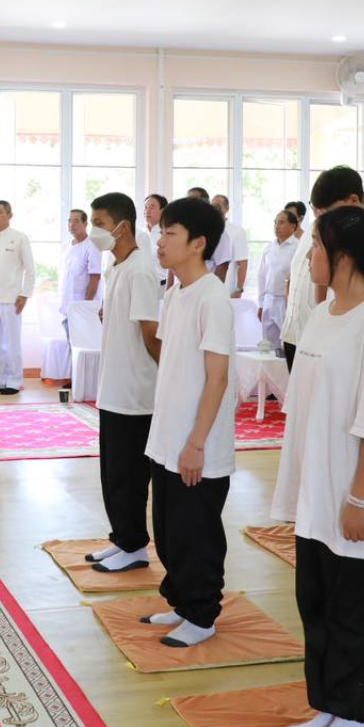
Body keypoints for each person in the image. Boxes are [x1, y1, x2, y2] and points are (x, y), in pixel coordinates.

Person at [272, 206, 364, 727]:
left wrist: (359, 498)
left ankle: (352, 718)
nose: (309, 255)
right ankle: (328, 705)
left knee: (352, 611)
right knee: (316, 603)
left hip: (355, 497)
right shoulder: (323, 314)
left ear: (345, 256)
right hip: (317, 491)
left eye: (317, 246)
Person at [138, 197, 236, 650]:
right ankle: (180, 601)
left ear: (198, 243)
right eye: (161, 233)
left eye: (170, 234)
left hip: (197, 443)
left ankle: (201, 614)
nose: (160, 242)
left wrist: (196, 442)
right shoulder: (175, 291)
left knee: (196, 533)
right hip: (167, 437)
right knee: (168, 530)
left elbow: (218, 378)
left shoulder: (212, 298)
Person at [85, 192, 162, 574]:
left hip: (135, 393)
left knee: (129, 475)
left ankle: (135, 547)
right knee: (112, 472)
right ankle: (121, 537)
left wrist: (169, 380)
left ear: (122, 226)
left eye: (99, 223)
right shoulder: (116, 267)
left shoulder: (140, 270)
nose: (93, 231)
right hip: (113, 388)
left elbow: (150, 334)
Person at [284, 166, 364, 368]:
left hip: (336, 339)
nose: (320, 217)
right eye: (315, 210)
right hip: (301, 331)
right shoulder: (316, 230)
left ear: (353, 201)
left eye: (325, 211)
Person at [0, 200, 35, 394]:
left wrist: (24, 294)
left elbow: (30, 269)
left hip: (11, 299)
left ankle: (14, 381)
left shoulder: (19, 237)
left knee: (12, 342)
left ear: (9, 215)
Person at [257, 210, 299, 346]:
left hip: (285, 302)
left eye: (281, 222)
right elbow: (261, 276)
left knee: (286, 343)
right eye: (275, 222)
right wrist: (261, 304)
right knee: (268, 344)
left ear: (292, 227)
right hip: (269, 300)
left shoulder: (298, 248)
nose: (276, 226)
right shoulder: (269, 248)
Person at [59, 208, 103, 335]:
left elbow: (95, 278)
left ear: (85, 224)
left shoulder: (92, 246)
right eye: (69, 221)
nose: (72, 224)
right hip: (67, 308)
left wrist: (85, 305)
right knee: (71, 343)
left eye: (76, 221)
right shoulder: (67, 246)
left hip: (83, 309)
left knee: (83, 344)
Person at [209, 193, 249, 296]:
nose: (215, 209)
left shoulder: (237, 231)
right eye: (212, 206)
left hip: (227, 289)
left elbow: (242, 263)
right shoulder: (207, 230)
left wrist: (239, 289)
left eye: (218, 206)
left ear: (227, 209)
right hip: (207, 289)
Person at [144, 194, 170, 285]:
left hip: (162, 286)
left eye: (152, 207)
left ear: (163, 211)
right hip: (141, 285)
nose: (147, 211)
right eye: (145, 207)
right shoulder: (138, 234)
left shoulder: (168, 234)